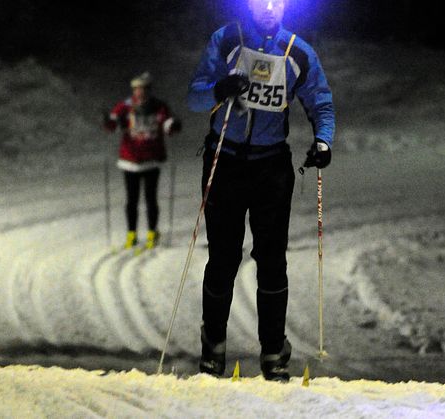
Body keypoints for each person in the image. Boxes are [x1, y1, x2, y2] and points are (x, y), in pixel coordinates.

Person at [187, 0, 335, 381]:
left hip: (271, 166)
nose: (268, 8)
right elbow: (195, 96)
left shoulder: (296, 50)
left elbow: (320, 101)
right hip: (227, 161)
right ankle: (213, 348)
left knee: (271, 260)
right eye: (260, 1)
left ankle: (273, 352)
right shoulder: (227, 39)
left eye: (277, 1)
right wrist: (220, 88)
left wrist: (323, 141)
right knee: (222, 258)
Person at [104, 72, 181, 251]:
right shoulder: (126, 106)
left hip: (151, 160)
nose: (140, 93)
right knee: (131, 200)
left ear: (148, 90)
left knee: (150, 198)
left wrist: (173, 125)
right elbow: (113, 122)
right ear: (133, 91)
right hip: (130, 160)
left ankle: (152, 233)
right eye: (137, 89)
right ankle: (132, 234)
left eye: (143, 89)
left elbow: (167, 123)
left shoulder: (158, 106)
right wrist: (108, 121)